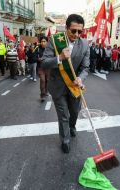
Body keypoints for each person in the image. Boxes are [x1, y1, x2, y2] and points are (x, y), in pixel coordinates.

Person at [41, 14, 90, 153]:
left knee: (74, 112)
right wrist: (60, 58)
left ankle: (72, 127)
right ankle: (65, 140)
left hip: (74, 86)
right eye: (73, 31)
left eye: (80, 31)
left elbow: (86, 68)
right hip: (58, 86)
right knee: (63, 115)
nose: (76, 34)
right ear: (66, 28)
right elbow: (44, 62)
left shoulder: (85, 44)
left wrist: (80, 78)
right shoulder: (55, 40)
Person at [37, 37, 50, 102]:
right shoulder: (37, 49)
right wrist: (38, 59)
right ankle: (42, 95)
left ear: (47, 42)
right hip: (41, 67)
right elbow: (34, 57)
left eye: (44, 41)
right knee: (42, 80)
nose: (43, 43)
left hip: (48, 67)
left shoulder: (50, 49)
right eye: (42, 41)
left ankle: (46, 91)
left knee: (47, 80)